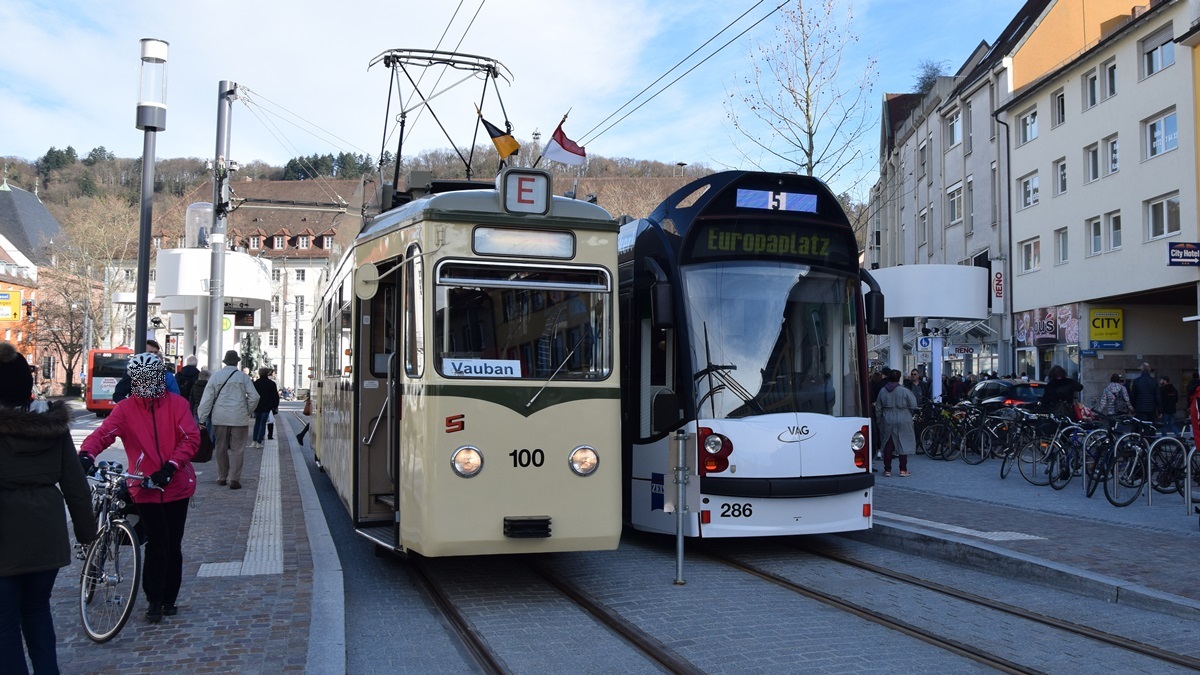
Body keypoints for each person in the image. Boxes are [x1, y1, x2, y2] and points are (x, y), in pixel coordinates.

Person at [80, 352, 198, 624]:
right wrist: (86, 453)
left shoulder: (176, 405)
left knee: (172, 543)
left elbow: (190, 438)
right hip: (143, 485)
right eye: (141, 379)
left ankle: (168, 598)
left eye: (151, 379)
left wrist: (170, 466)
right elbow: (104, 433)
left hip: (175, 483)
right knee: (158, 542)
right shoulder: (126, 408)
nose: (146, 384)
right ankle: (155, 599)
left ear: (159, 378)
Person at [0, 343, 96, 674]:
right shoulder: (52, 426)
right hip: (46, 532)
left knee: (5, 622)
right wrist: (87, 533)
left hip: (5, 535)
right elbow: (76, 487)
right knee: (38, 610)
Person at [197, 350, 259, 490]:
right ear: (237, 362)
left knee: (220, 447)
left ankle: (222, 477)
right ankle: (235, 479)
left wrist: (202, 418)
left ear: (225, 362)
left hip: (220, 417)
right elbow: (254, 397)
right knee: (238, 449)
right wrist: (247, 410)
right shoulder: (243, 377)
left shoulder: (216, 376)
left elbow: (207, 398)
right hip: (239, 417)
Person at [876, 368, 918, 477]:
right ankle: (903, 470)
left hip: (887, 416)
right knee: (903, 442)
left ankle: (887, 470)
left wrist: (879, 420)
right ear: (899, 378)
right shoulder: (904, 390)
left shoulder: (883, 391)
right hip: (903, 416)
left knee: (887, 443)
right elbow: (913, 404)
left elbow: (878, 407)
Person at [112, 339, 179, 403]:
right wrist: (131, 408)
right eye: (150, 352)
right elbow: (118, 395)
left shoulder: (166, 375)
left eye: (155, 352)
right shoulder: (132, 371)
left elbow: (175, 398)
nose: (154, 355)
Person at [251, 367, 280, 448]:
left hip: (257, 405)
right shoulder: (271, 384)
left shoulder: (256, 383)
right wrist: (275, 406)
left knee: (257, 422)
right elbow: (275, 396)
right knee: (263, 423)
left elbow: (252, 395)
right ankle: (259, 442)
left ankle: (254, 440)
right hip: (267, 406)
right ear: (267, 373)